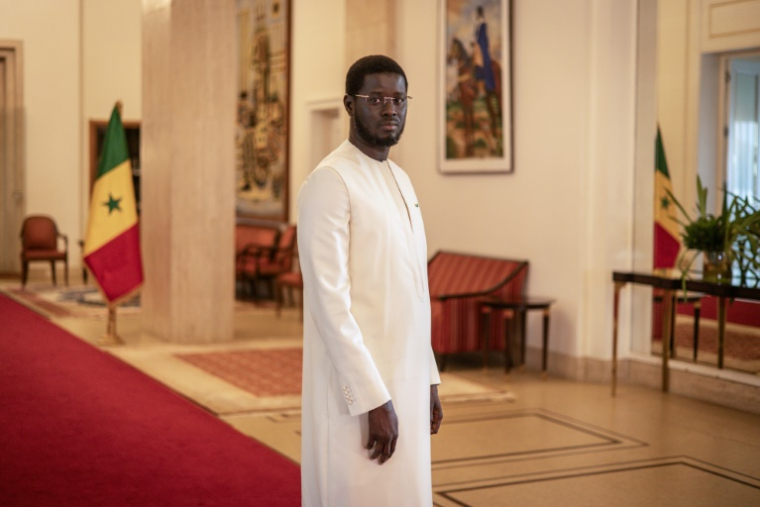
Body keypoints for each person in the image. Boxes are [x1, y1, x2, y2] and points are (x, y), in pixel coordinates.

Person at [298, 55, 443, 507]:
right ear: (349, 104)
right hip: (358, 393)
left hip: (407, 377)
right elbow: (329, 304)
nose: (389, 109)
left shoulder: (401, 179)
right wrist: (372, 399)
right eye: (376, 98)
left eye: (398, 99)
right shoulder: (330, 181)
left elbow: (414, 291)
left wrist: (429, 378)